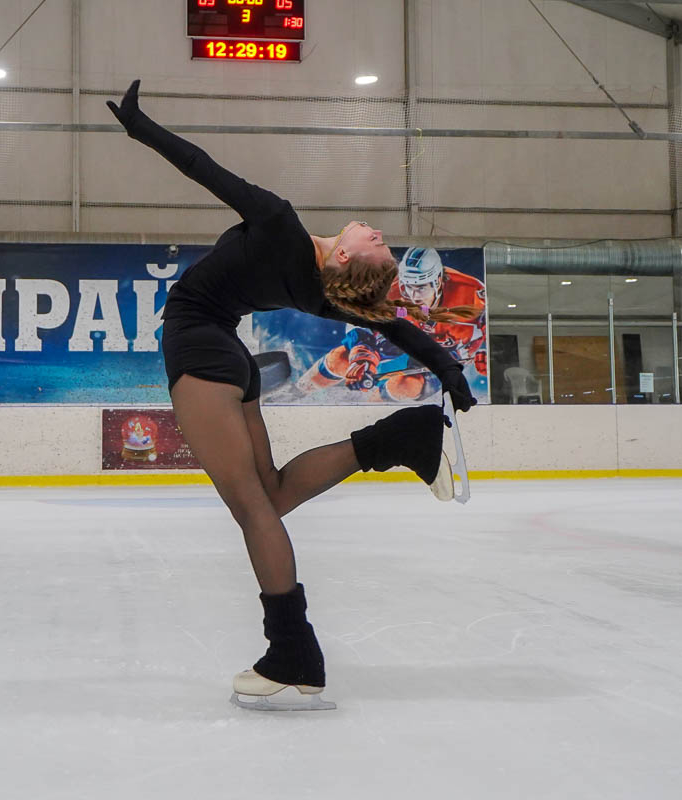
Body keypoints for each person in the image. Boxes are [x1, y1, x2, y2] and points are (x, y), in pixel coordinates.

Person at [107, 80, 475, 710]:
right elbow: (397, 326)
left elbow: (203, 168)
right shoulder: (320, 291)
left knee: (253, 508)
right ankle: (400, 438)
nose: (376, 230)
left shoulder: (281, 226)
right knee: (271, 497)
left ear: (344, 259)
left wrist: (142, 130)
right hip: (232, 359)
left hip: (201, 350)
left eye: (376, 242)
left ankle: (291, 651)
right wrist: (447, 366)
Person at [296, 247, 487, 402]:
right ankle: (298, 391)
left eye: (420, 288)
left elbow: (487, 331)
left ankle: (368, 409)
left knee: (406, 385)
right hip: (403, 330)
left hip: (445, 346)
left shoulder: (472, 294)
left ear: (437, 281)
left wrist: (486, 358)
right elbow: (361, 320)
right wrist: (362, 356)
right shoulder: (389, 289)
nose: (413, 296)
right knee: (342, 360)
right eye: (408, 287)